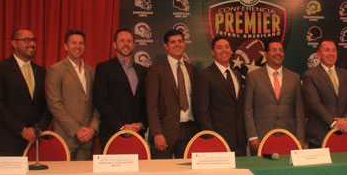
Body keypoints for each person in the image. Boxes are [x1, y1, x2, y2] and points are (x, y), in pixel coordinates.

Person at [0, 29, 51, 156]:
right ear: (14, 44)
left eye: (33, 40)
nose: (31, 44)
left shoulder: (41, 71)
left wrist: (37, 130)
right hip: (8, 142)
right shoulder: (0, 68)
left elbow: (48, 105)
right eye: (26, 40)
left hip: (36, 142)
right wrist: (22, 130)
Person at [45, 30, 100, 160]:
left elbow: (97, 103)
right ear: (65, 46)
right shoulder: (55, 70)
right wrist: (76, 130)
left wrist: (92, 128)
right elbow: (54, 104)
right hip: (66, 137)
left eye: (81, 43)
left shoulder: (91, 71)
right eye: (73, 43)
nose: (77, 46)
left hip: (87, 138)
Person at [244, 40, 305, 155]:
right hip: (261, 138)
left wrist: (300, 137)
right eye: (274, 50)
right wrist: (252, 136)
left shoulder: (295, 78)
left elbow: (299, 110)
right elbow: (248, 109)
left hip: (288, 137)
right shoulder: (253, 77)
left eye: (281, 50)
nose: (278, 53)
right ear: (266, 54)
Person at [145, 29, 197, 159]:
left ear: (184, 44)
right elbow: (151, 105)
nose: (177, 44)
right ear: (166, 46)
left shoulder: (191, 69)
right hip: (164, 132)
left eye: (180, 41)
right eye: (173, 42)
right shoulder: (156, 70)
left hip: (189, 130)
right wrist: (157, 133)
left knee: (188, 174)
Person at [93, 28, 147, 149]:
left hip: (137, 134)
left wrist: (141, 124)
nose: (126, 44)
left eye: (129, 41)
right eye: (122, 40)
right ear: (114, 45)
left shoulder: (142, 71)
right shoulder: (104, 68)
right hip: (112, 133)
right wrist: (122, 127)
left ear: (134, 45)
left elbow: (146, 101)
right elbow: (100, 100)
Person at [194, 36, 246, 156]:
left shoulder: (237, 74)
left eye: (227, 47)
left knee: (241, 174)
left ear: (231, 51)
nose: (224, 50)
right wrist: (211, 138)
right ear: (213, 52)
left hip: (239, 141)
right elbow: (202, 111)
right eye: (219, 48)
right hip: (218, 140)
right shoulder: (204, 75)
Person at [302, 38, 347, 148]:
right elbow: (315, 105)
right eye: (327, 50)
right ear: (318, 54)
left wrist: (346, 119)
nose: (331, 54)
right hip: (320, 136)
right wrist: (336, 124)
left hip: (346, 133)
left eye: (334, 50)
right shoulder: (310, 75)